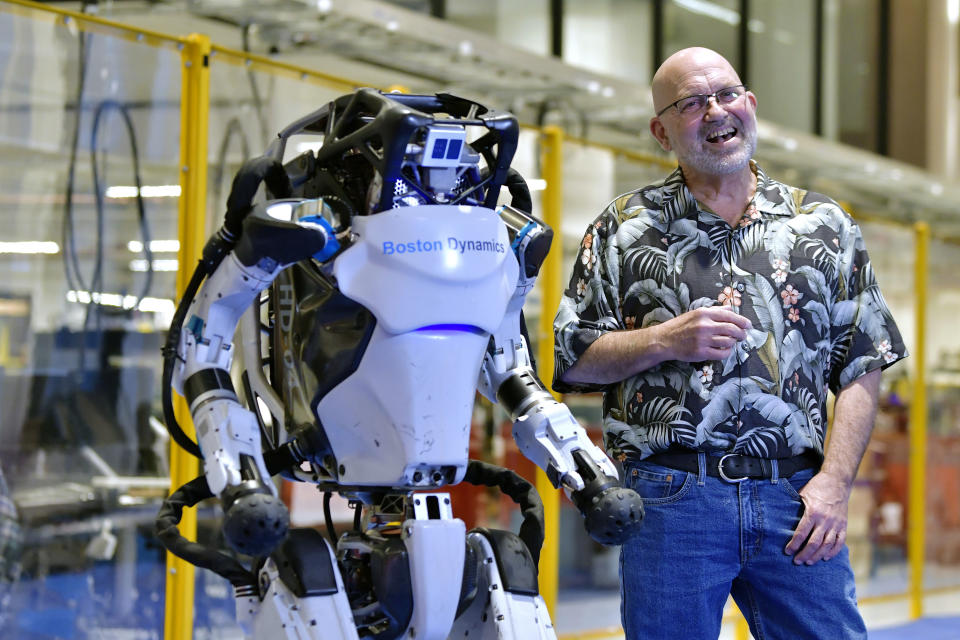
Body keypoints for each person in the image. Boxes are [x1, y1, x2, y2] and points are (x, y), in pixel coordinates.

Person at [553, 47, 906, 640]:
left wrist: (835, 483)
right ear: (662, 131)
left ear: (750, 104)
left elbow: (863, 365)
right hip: (672, 498)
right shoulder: (624, 227)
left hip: (797, 498)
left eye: (726, 94)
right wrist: (663, 339)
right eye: (692, 103)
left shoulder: (822, 225)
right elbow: (573, 360)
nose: (715, 110)